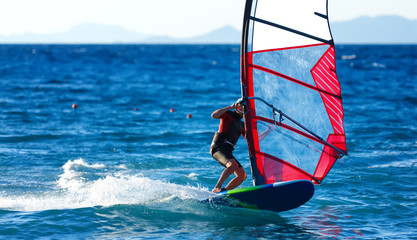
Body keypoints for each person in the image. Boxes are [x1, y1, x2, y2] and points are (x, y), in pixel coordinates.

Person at [210, 99, 247, 193]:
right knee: (233, 165)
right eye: (241, 107)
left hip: (227, 150)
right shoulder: (229, 115)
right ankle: (217, 188)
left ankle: (223, 192)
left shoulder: (242, 124)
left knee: (242, 175)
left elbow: (254, 139)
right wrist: (230, 107)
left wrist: (269, 130)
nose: (243, 110)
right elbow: (214, 115)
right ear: (237, 107)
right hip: (218, 148)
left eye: (245, 108)